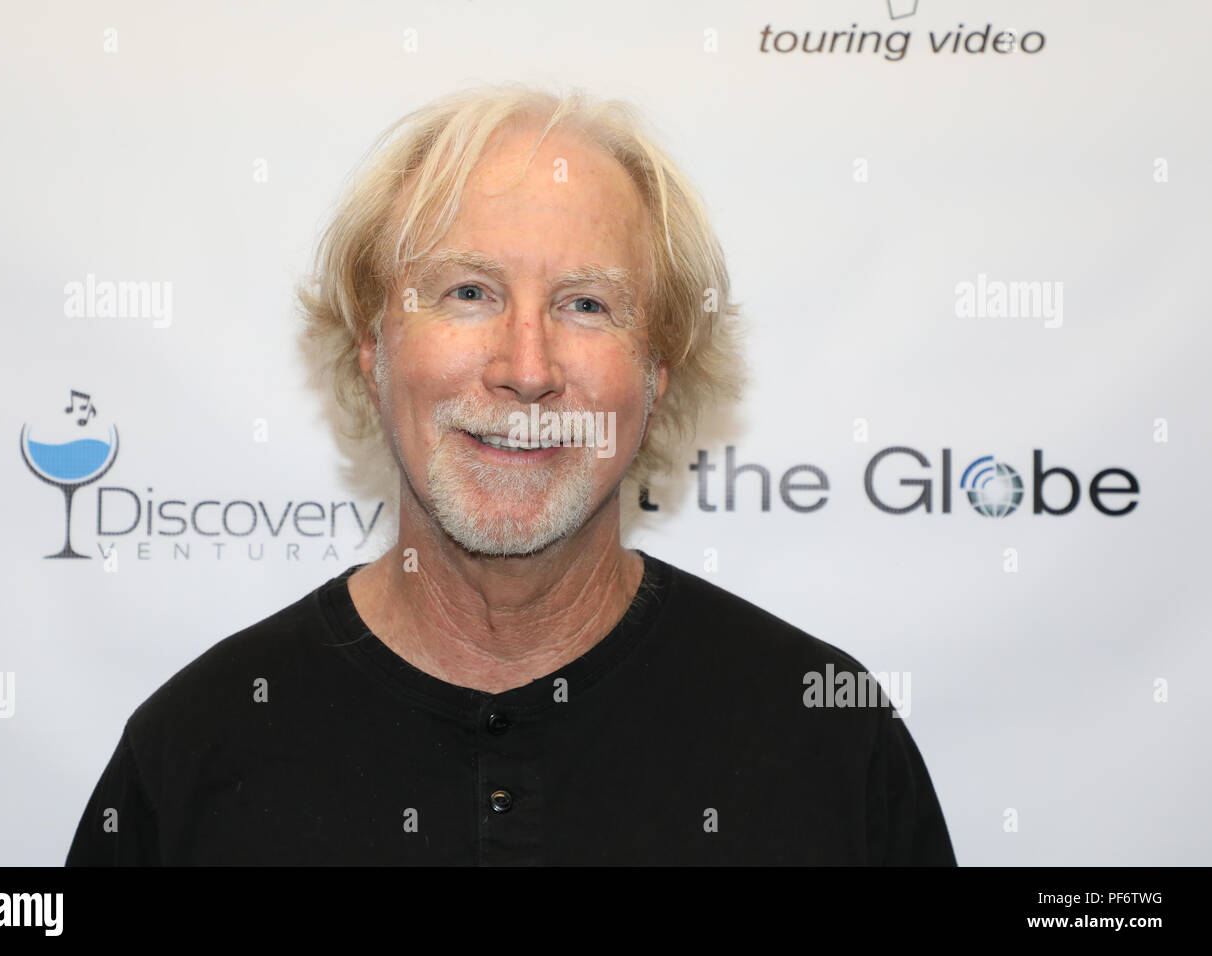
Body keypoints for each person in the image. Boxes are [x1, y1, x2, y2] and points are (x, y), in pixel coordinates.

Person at [66, 84, 956, 865]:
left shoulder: (826, 742)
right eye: (468, 293)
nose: (527, 369)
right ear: (373, 348)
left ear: (657, 374)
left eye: (586, 304)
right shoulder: (194, 753)